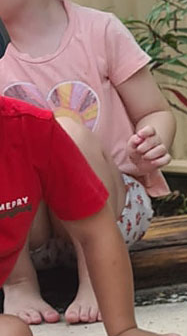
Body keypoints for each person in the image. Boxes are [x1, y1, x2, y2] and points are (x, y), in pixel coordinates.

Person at [0, 0, 174, 326]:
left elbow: (154, 110)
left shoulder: (100, 32)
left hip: (113, 212)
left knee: (66, 130)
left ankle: (96, 277)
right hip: (34, 233)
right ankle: (17, 283)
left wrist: (153, 138)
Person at [0, 97, 177, 336]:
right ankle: (20, 286)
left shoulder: (30, 127)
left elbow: (97, 232)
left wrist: (124, 329)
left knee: (13, 332)